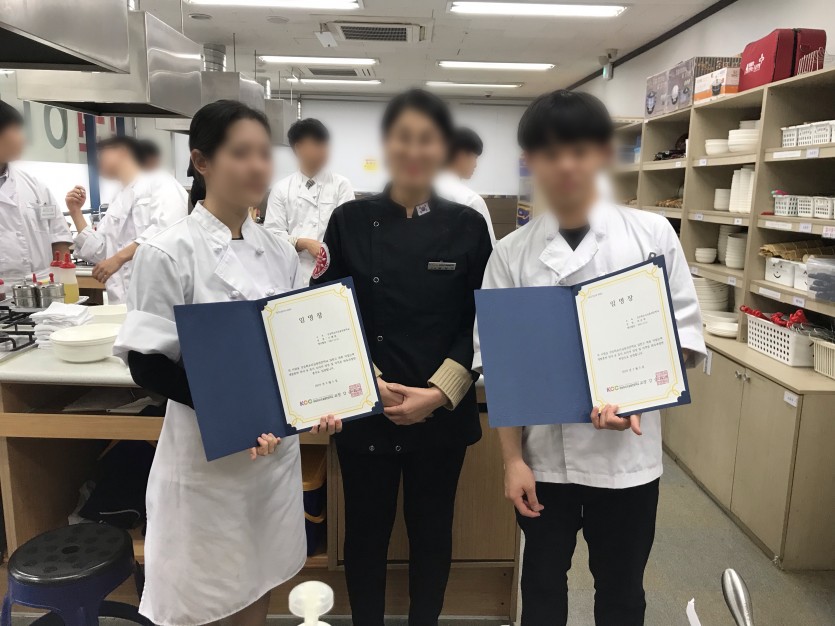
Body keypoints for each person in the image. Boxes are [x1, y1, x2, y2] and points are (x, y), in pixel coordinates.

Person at [473, 90, 705, 626]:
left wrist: (633, 394)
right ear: (530, 161)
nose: (566, 166)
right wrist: (512, 461)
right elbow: (502, 370)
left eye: (578, 150)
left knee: (621, 591)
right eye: (549, 153)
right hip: (543, 461)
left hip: (626, 460)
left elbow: (683, 340)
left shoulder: (651, 236)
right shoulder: (511, 253)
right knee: (541, 588)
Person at [113, 100, 341, 626]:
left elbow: (290, 348)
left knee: (259, 577)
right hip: (208, 457)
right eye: (241, 153)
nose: (258, 166)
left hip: (270, 455)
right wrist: (237, 415)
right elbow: (148, 365)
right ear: (202, 161)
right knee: (206, 592)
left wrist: (322, 398)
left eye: (264, 153)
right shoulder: (168, 252)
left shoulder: (278, 251)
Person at [311, 89, 493, 626]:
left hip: (441, 413)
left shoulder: (468, 225)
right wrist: (367, 380)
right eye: (403, 138)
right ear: (387, 146)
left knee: (432, 534)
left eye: (427, 140)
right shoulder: (347, 220)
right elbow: (325, 310)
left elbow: (483, 318)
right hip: (366, 405)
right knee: (364, 535)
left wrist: (439, 393)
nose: (414, 151)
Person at [65, 136, 188, 304]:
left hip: (160, 297)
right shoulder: (118, 199)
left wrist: (118, 259)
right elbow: (101, 251)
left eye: (102, 154)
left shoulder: (160, 181)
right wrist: (75, 212)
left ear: (122, 152)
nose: (98, 162)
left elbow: (169, 230)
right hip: (122, 301)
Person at [264, 118, 354, 282]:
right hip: (293, 273)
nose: (324, 150)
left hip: (332, 274)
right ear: (299, 148)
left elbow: (349, 232)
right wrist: (303, 243)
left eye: (325, 144)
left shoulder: (341, 185)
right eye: (317, 144)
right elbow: (271, 235)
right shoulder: (281, 189)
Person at [0, 100, 72, 284]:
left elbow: (59, 237)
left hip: (42, 287)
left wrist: (65, 283)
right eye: (16, 130)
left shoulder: (35, 187)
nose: (23, 139)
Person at [435, 126, 495, 243]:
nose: (475, 165)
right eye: (475, 157)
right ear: (460, 155)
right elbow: (488, 247)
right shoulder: (471, 200)